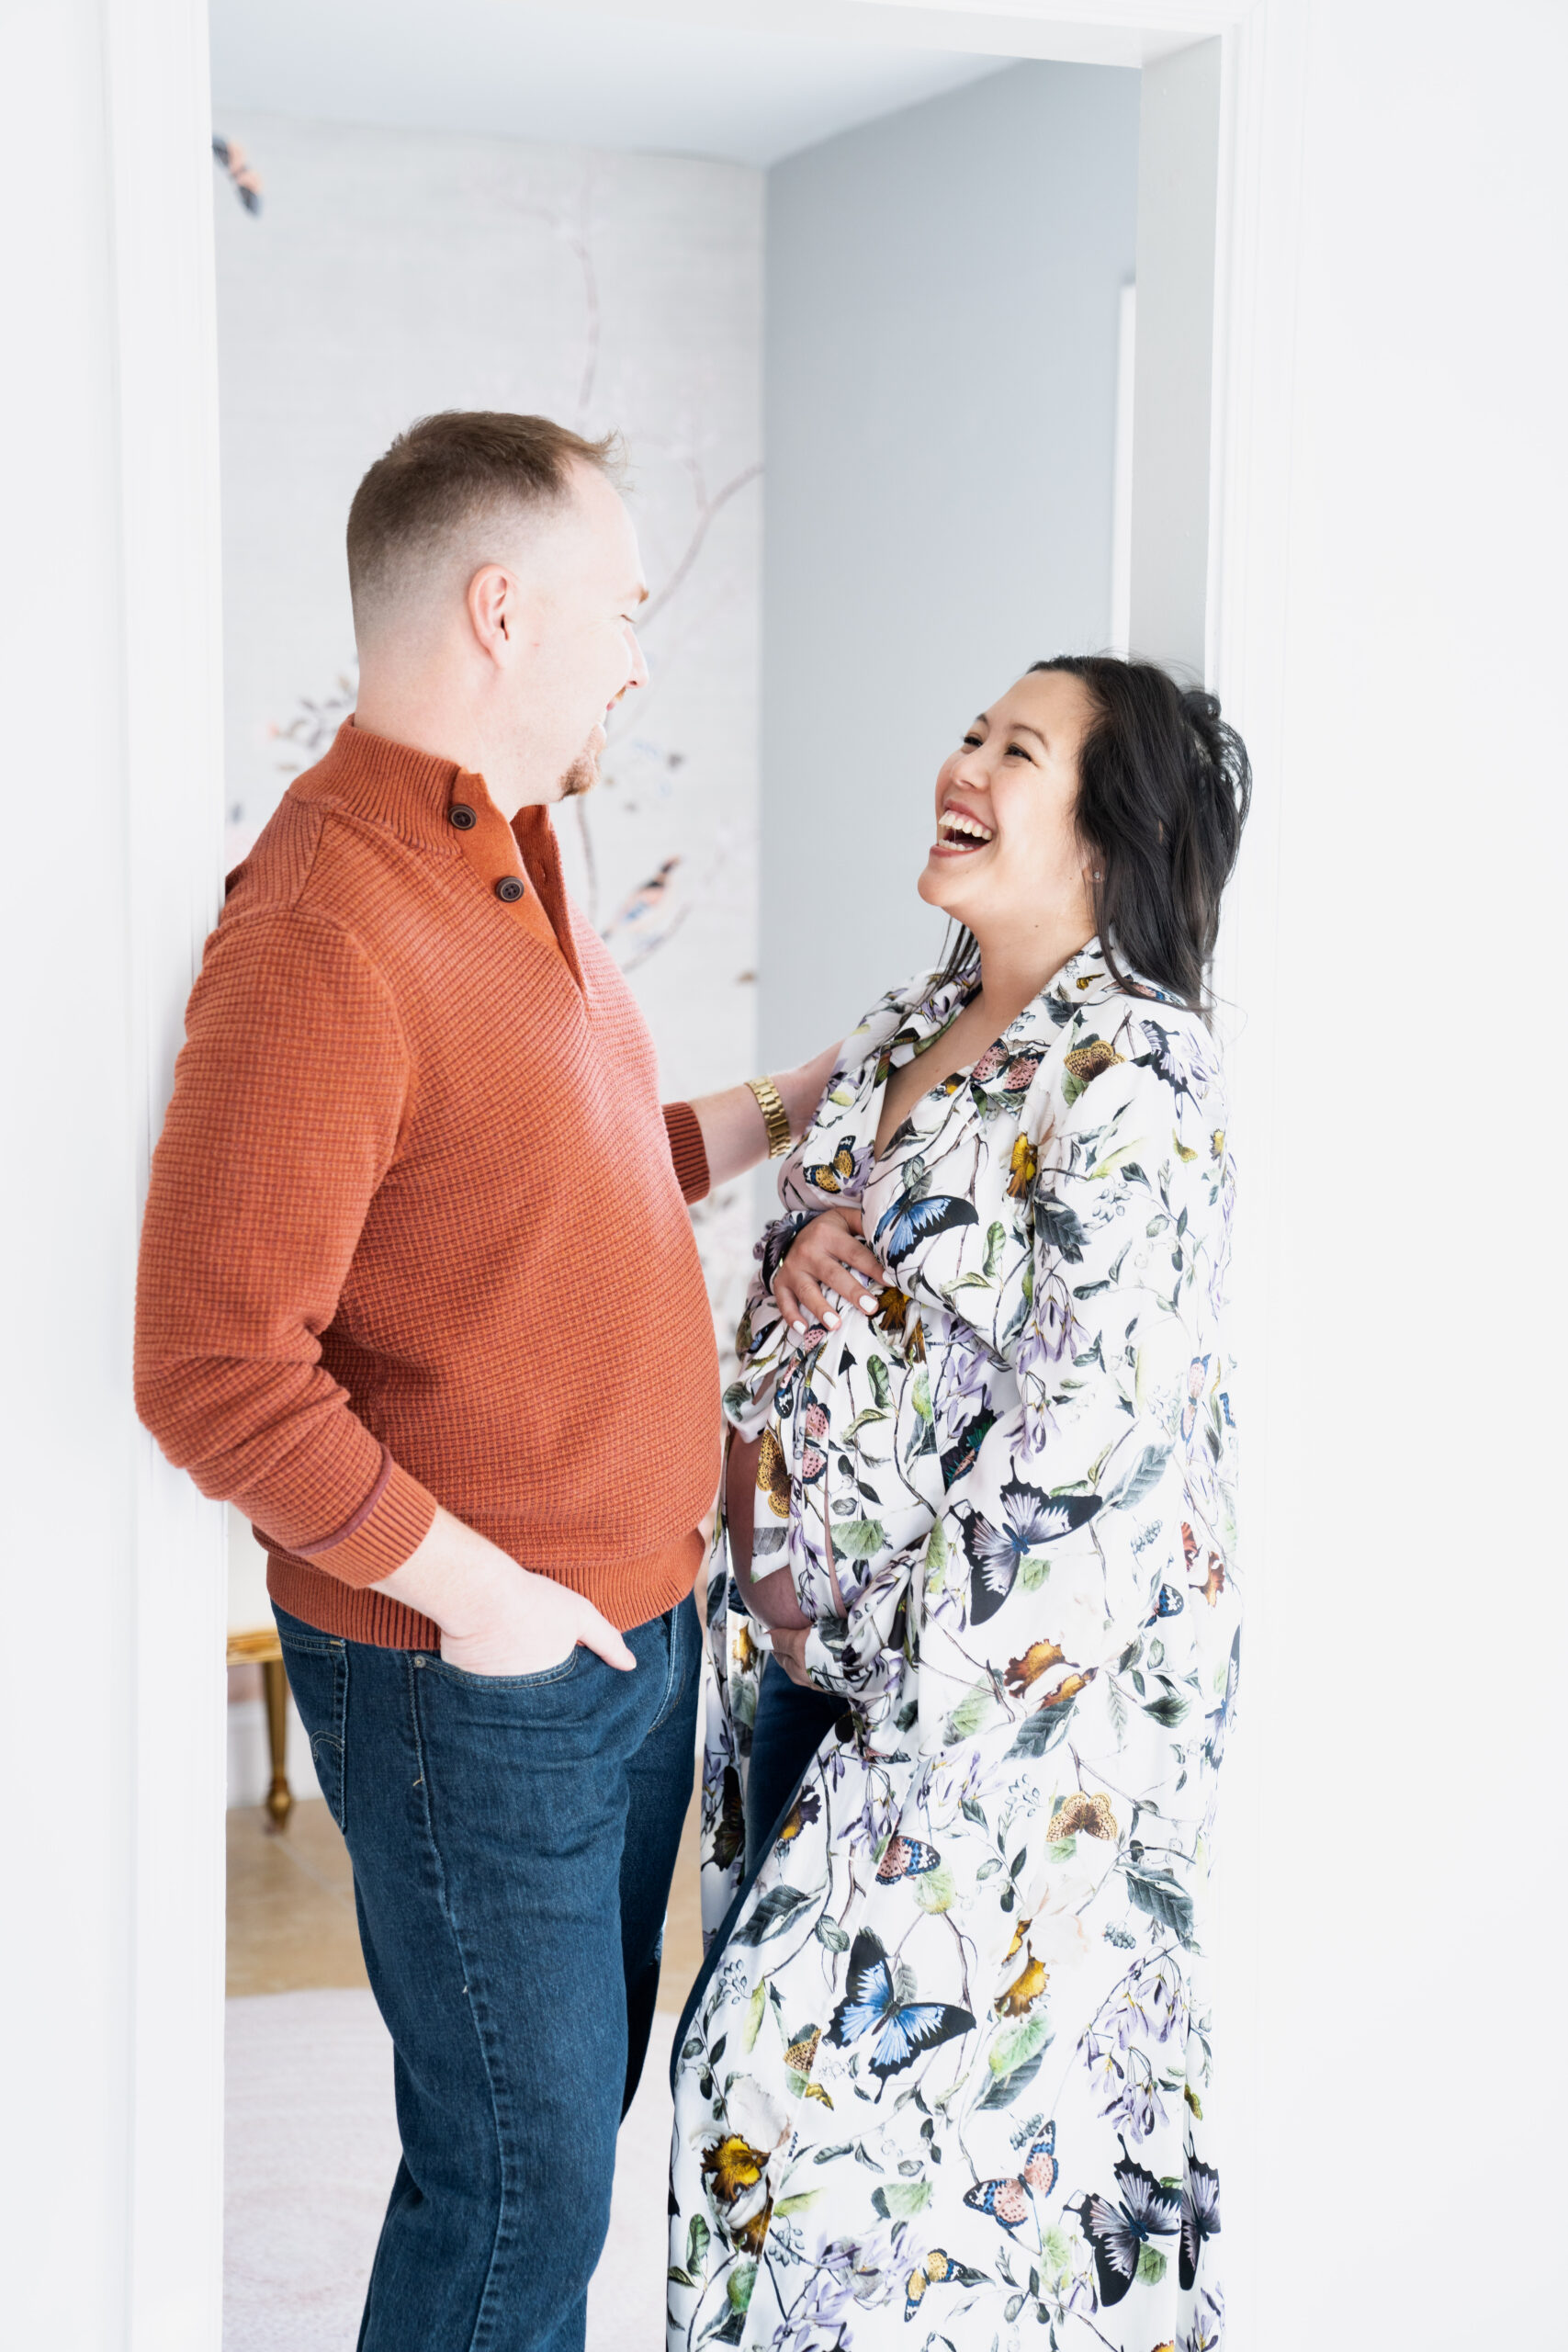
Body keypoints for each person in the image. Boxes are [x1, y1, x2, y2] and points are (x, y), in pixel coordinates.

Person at [134, 411, 838, 2352]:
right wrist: (499, 1607)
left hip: (616, 1636)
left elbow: (571, 1172)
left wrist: (799, 1099)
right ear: (503, 606)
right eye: (620, 603)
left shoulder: (512, 863)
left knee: (550, 2144)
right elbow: (210, 1369)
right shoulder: (325, 924)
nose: (636, 647)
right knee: (523, 2187)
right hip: (484, 1669)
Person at [672, 656, 1249, 2352]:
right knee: (812, 2193)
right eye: (971, 732)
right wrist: (793, 1256)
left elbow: (1085, 1449)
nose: (966, 761)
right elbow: (856, 1296)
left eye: (1020, 748)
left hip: (977, 1737)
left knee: (848, 2141)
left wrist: (909, 1756)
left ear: (1108, 831)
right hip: (796, 1669)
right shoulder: (922, 1017)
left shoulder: (1138, 1076)